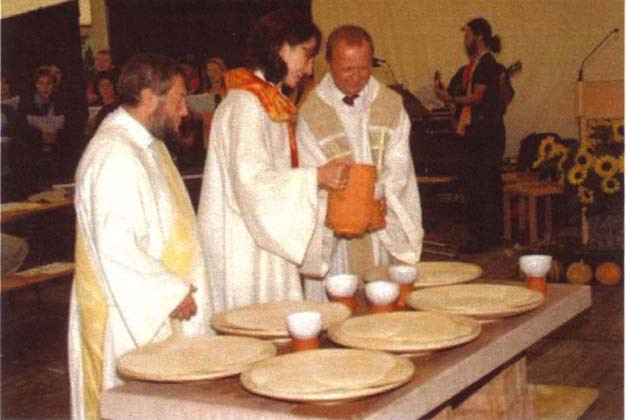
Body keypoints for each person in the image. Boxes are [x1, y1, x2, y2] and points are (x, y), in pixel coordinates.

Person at [68, 53, 213, 420]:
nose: (185, 111)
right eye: (178, 100)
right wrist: (169, 292)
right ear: (151, 98)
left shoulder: (146, 144)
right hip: (129, 319)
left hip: (156, 314)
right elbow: (116, 247)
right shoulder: (114, 155)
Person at [197, 9, 350, 312]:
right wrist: (314, 178)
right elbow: (252, 182)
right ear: (280, 47)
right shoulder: (245, 106)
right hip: (246, 249)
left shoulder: (266, 101)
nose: (308, 69)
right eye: (306, 55)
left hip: (264, 240)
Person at [296, 25, 424, 299]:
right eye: (347, 70)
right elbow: (310, 171)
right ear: (329, 64)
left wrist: (377, 192)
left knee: (385, 303)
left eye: (364, 68)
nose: (356, 78)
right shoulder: (311, 112)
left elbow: (400, 163)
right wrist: (354, 200)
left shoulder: (390, 104)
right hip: (336, 235)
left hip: (382, 225)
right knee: (341, 304)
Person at [433, 18, 508, 253]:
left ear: (480, 38)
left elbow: (477, 97)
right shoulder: (475, 66)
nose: (465, 41)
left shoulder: (487, 64)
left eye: (467, 36)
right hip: (478, 133)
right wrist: (446, 94)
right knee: (478, 186)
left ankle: (485, 237)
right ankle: (484, 235)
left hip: (486, 135)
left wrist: (450, 99)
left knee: (483, 187)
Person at [200, 56, 228, 149]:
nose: (211, 74)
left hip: (225, 139)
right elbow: (206, 119)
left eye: (214, 70)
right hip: (210, 142)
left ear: (222, 72)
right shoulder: (205, 93)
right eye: (209, 70)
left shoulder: (229, 92)